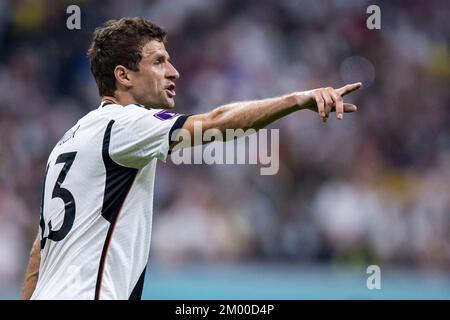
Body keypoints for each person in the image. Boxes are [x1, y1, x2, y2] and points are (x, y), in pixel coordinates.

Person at [20, 17, 362, 300]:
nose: (174, 72)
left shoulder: (67, 142)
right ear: (123, 76)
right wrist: (297, 100)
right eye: (158, 62)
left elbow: (40, 250)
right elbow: (215, 123)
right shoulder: (125, 123)